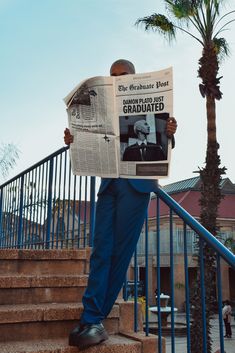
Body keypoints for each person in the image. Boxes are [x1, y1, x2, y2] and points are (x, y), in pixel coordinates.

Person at [64, 59, 177, 350]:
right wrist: (74, 140)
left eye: (122, 75)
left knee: (120, 254)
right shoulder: (104, 109)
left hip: (137, 188)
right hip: (109, 186)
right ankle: (91, 318)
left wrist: (170, 132)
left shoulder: (147, 105)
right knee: (101, 250)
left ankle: (95, 317)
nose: (117, 79)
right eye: (112, 76)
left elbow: (161, 148)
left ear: (133, 77)